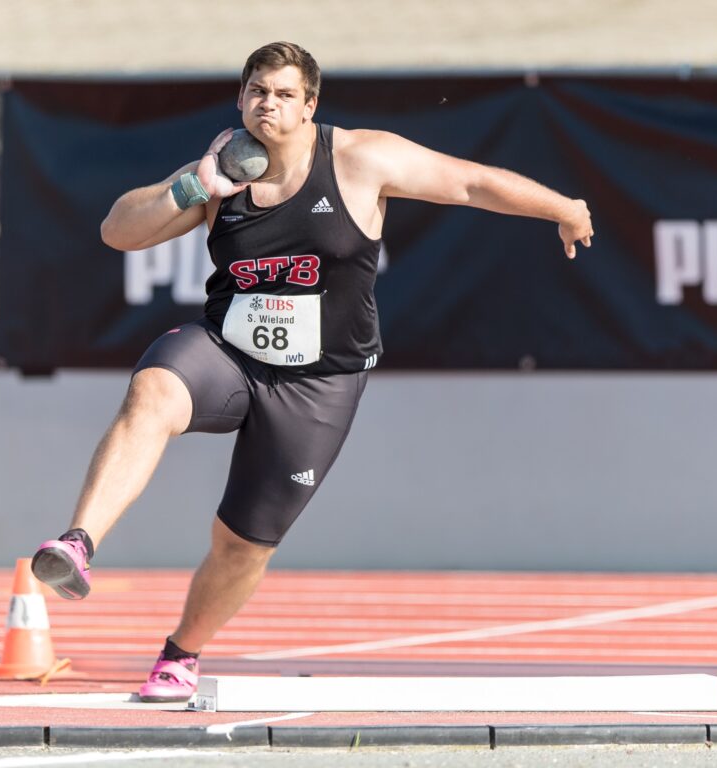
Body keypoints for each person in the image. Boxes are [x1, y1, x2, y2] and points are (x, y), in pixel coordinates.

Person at [29, 41, 593, 703]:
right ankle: (78, 542)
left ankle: (181, 654)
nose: (269, 104)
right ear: (241, 99)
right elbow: (117, 232)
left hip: (316, 383)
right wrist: (197, 186)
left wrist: (562, 207)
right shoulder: (220, 172)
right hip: (228, 354)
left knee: (244, 544)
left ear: (310, 105)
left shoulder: (359, 158)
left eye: (284, 93)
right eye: (257, 92)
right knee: (153, 390)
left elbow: (467, 182)